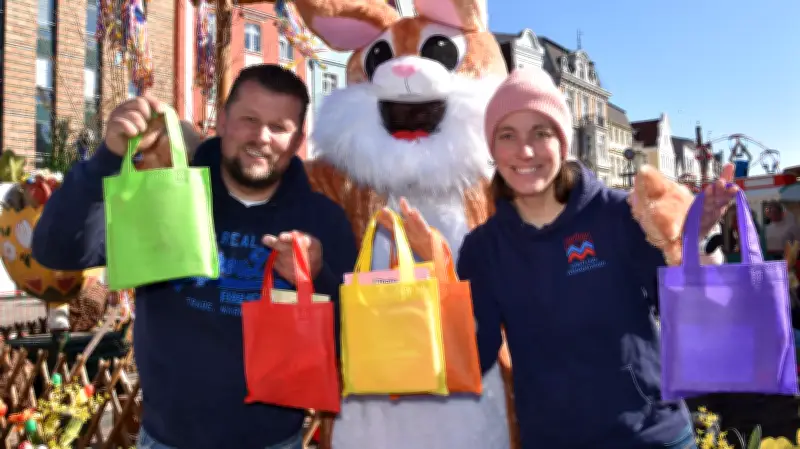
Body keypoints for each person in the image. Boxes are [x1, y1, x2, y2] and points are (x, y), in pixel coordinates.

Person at [384, 68, 737, 448]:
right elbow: (474, 353)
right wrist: (436, 274)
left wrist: (691, 242)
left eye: (541, 133)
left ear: (562, 142)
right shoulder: (484, 248)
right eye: (508, 135)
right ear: (492, 148)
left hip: (651, 436)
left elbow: (684, 310)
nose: (525, 151)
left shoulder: (620, 215)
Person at [31, 64, 357, 449]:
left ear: (298, 139)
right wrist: (107, 159)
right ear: (223, 121)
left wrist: (318, 276)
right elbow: (58, 251)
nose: (261, 137)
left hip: (274, 442)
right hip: (164, 439)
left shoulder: (323, 219)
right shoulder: (164, 194)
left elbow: (351, 337)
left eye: (279, 127)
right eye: (249, 120)